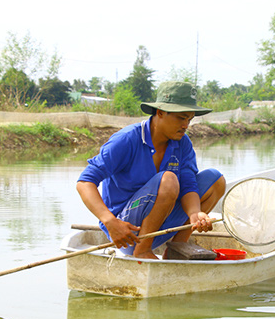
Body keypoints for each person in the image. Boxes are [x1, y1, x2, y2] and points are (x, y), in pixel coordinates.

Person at [76, 81, 225, 259]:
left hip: (161, 225)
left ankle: (177, 246)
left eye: (189, 119)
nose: (186, 125)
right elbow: (85, 182)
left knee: (216, 180)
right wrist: (110, 221)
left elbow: (188, 183)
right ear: (160, 113)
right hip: (127, 232)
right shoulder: (127, 139)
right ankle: (143, 250)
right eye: (181, 118)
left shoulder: (182, 143)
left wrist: (195, 213)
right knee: (168, 180)